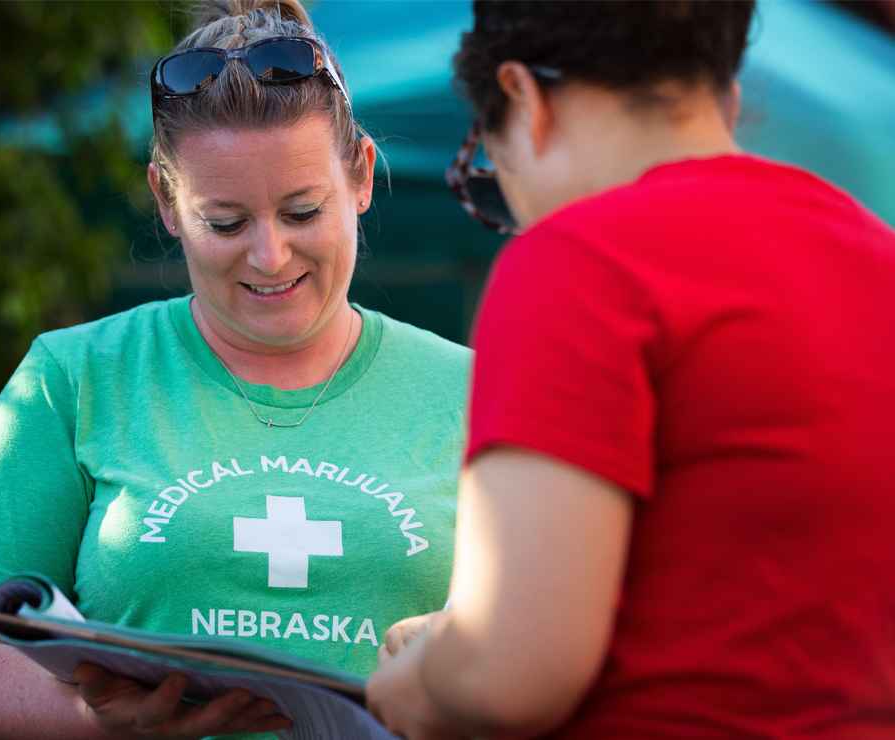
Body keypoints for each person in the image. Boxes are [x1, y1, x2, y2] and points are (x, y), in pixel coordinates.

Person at [0, 1, 471, 738]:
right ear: (165, 200)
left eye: (303, 212)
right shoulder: (72, 379)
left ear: (362, 177)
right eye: (226, 222)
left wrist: (475, 656)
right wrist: (90, 714)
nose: (269, 256)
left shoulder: (475, 392)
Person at [368, 1, 895, 738]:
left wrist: (416, 685)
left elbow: (508, 676)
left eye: (487, 172)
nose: (513, 215)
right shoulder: (877, 258)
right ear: (726, 95)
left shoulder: (575, 263)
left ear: (521, 98)